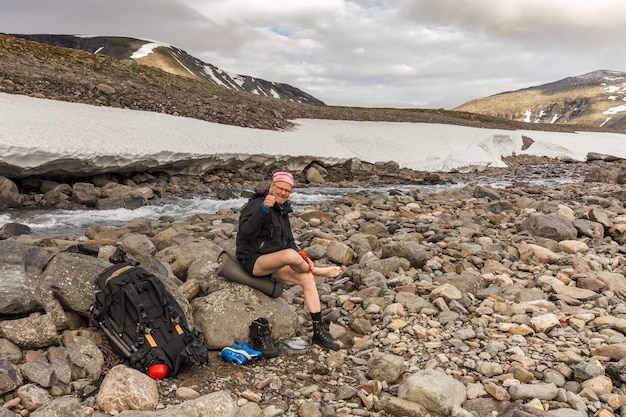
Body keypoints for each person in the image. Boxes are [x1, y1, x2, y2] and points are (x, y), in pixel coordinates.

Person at [236, 171, 342, 351]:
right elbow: (245, 234)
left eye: (288, 190)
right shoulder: (256, 205)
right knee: (290, 256)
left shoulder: (282, 211)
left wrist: (304, 257)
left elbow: (290, 242)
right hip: (252, 261)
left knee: (306, 278)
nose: (284, 193)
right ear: (272, 187)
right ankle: (317, 270)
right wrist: (263, 210)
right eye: (280, 189)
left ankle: (318, 332)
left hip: (273, 261)